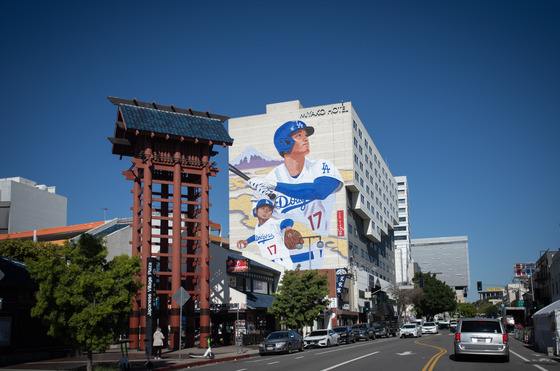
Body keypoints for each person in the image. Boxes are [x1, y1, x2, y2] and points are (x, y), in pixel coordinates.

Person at [247, 120, 343, 269]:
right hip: (280, 256)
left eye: (305, 135)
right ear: (284, 142)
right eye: (299, 135)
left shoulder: (322, 166)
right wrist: (261, 193)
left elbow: (320, 191)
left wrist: (275, 186)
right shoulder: (269, 179)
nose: (305, 139)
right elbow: (259, 217)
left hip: (315, 252)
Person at [237, 198, 296, 270]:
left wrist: (288, 228)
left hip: (282, 262)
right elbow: (257, 235)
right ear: (256, 211)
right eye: (263, 208)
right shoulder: (258, 226)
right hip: (268, 263)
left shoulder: (273, 223)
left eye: (269, 209)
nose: (266, 211)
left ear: (271, 213)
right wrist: (247, 241)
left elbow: (288, 221)